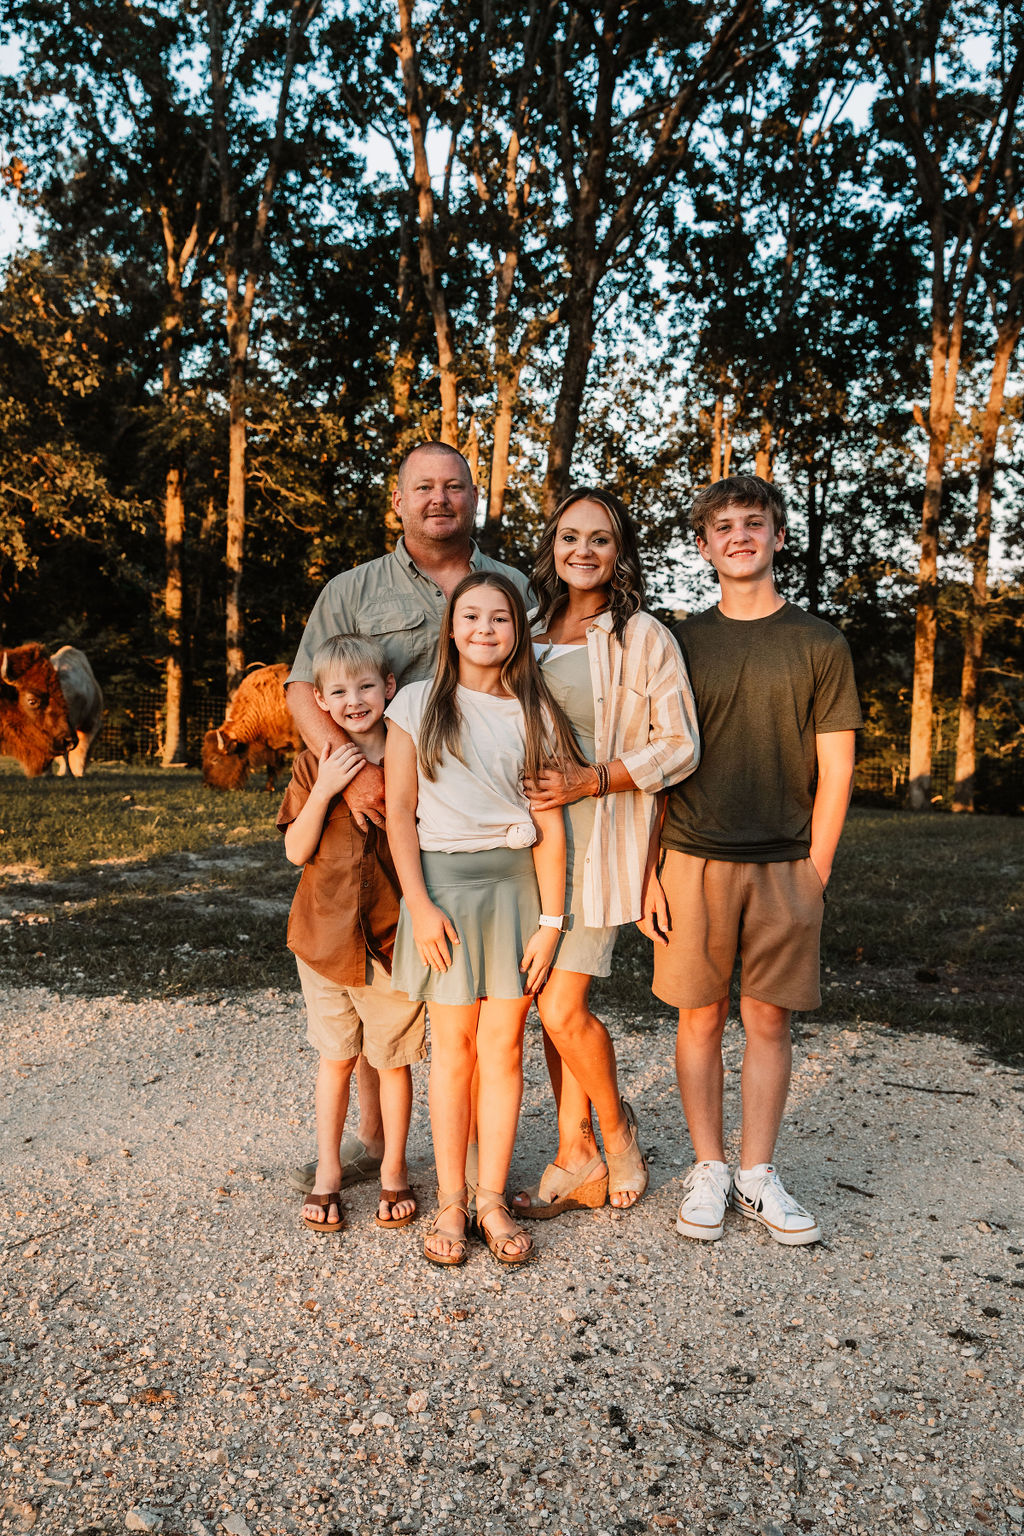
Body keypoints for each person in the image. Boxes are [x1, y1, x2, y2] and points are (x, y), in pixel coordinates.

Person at [284, 442, 530, 1196]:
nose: (439, 499)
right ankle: (374, 1143)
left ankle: (497, 1157)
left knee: (492, 996)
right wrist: (350, 777)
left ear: (473, 499)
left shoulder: (513, 584)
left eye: (454, 487)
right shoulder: (354, 589)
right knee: (373, 964)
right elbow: (301, 688)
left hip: (480, 823)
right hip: (378, 815)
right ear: (398, 501)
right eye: (422, 487)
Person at [646, 474, 862, 1246]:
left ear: (776, 537)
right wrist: (646, 872)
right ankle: (708, 1166)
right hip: (690, 856)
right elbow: (656, 763)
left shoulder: (818, 642)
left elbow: (836, 767)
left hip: (785, 862)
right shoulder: (679, 641)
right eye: (723, 526)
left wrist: (818, 869)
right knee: (698, 1015)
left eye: (753, 523)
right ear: (703, 547)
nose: (739, 535)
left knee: (767, 1017)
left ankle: (757, 1174)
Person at [511, 487, 700, 1218]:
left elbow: (680, 744)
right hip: (527, 841)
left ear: (621, 552)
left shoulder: (642, 635)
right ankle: (574, 1151)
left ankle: (617, 1134)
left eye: (600, 539)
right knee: (542, 998)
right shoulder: (524, 625)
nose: (582, 551)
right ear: (552, 546)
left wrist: (595, 778)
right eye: (570, 537)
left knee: (563, 1006)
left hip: (599, 835)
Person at [385, 572, 575, 1267]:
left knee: (504, 1046)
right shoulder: (415, 706)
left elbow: (550, 826)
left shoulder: (536, 712)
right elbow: (399, 816)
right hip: (443, 889)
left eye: (500, 617)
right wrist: (420, 904)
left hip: (515, 891)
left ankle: (491, 1198)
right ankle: (451, 1201)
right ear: (452, 626)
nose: (486, 628)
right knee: (453, 1049)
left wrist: (551, 922)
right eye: (472, 615)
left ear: (517, 631)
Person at [278, 634, 426, 1233]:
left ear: (389, 689)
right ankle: (328, 1173)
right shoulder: (314, 760)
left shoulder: (408, 752)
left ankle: (393, 1169)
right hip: (324, 940)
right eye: (338, 691)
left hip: (393, 938)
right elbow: (295, 851)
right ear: (320, 699)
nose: (354, 699)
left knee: (393, 1061)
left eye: (366, 686)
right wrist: (325, 789)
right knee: (336, 1059)